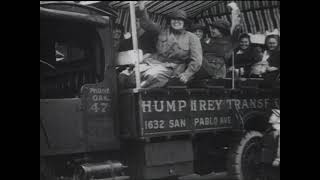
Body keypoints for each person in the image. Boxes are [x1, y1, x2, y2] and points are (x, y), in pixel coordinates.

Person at [123, 1, 202, 88]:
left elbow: (197, 60)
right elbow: (147, 24)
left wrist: (187, 74)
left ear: (184, 22)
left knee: (151, 77)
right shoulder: (162, 31)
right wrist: (142, 7)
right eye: (174, 19)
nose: (176, 22)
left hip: (175, 69)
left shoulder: (192, 37)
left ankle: (143, 95)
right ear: (170, 21)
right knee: (130, 76)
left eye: (180, 20)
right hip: (154, 63)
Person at [194, 6, 242, 79]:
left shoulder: (229, 41)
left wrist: (235, 11)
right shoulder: (207, 40)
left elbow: (236, 28)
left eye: (214, 29)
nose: (211, 30)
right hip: (203, 69)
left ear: (222, 30)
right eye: (211, 28)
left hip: (217, 71)